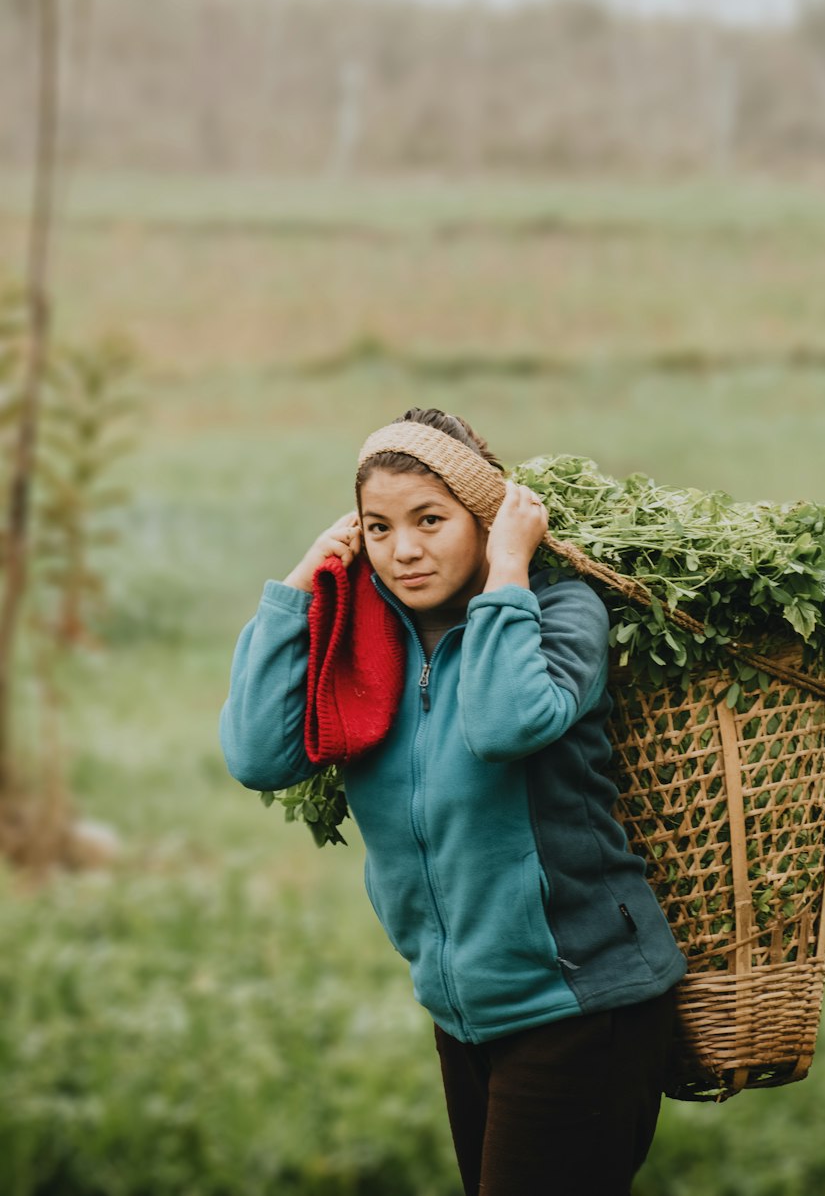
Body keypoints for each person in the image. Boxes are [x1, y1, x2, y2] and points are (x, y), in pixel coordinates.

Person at [220, 408, 687, 1196]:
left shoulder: (560, 612)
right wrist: (300, 588)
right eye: (378, 526)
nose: (403, 549)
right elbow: (259, 756)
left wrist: (509, 574)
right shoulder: (363, 638)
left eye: (431, 520)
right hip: (465, 1011)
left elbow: (505, 724)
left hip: (579, 1003)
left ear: (486, 518)